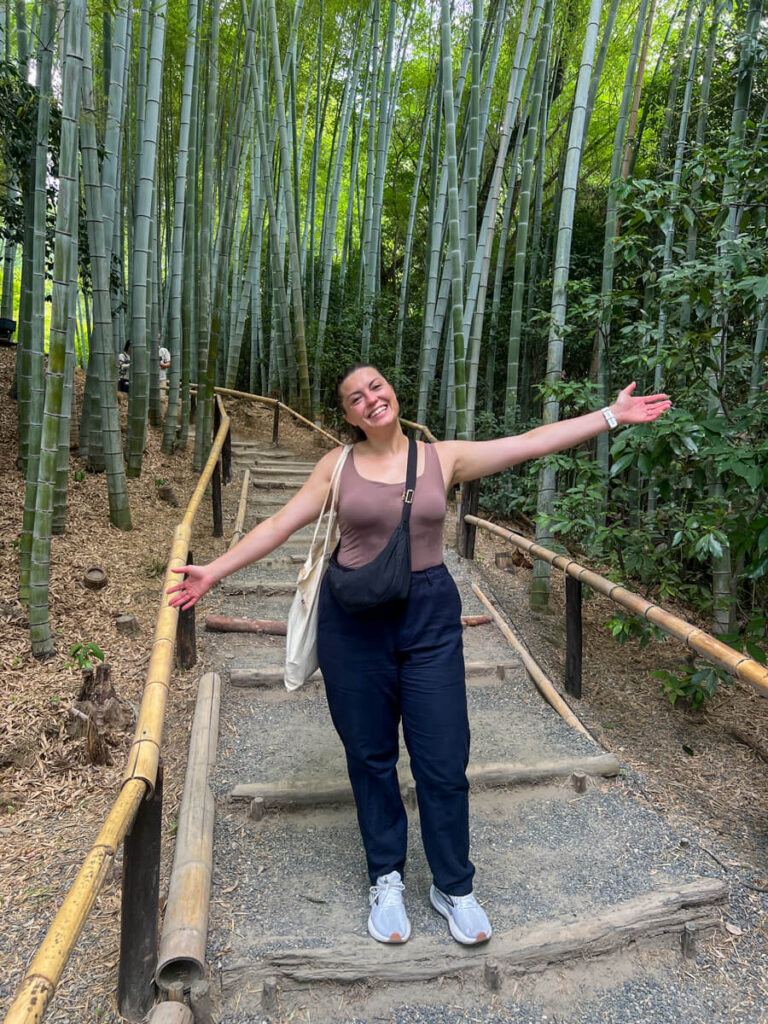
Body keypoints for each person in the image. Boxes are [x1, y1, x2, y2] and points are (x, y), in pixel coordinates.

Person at [167, 365, 671, 946]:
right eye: (356, 398)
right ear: (350, 416)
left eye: (376, 387)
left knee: (443, 756)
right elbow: (282, 523)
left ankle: (453, 885)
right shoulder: (337, 466)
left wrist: (611, 415)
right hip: (352, 623)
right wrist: (213, 572)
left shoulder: (442, 458)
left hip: (428, 614)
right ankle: (386, 876)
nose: (370, 400)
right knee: (370, 757)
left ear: (393, 392)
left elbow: (529, 442)